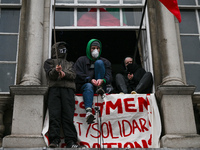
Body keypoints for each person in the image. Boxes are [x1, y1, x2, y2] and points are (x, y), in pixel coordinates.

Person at [44, 42, 80, 148]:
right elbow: (50, 74)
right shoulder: (49, 62)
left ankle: (71, 141)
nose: (62, 50)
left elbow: (73, 75)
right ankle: (54, 140)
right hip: (54, 90)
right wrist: (56, 71)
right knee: (54, 115)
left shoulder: (71, 63)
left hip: (68, 91)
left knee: (68, 116)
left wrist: (64, 73)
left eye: (64, 48)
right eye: (60, 48)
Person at [74, 39, 112, 124]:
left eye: (97, 48)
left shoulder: (105, 62)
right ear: (88, 49)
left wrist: (103, 80)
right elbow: (77, 74)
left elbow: (109, 76)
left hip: (100, 87)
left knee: (99, 62)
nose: (95, 50)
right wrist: (90, 80)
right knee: (88, 86)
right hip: (86, 87)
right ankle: (88, 112)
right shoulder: (81, 60)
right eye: (93, 48)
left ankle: (99, 88)